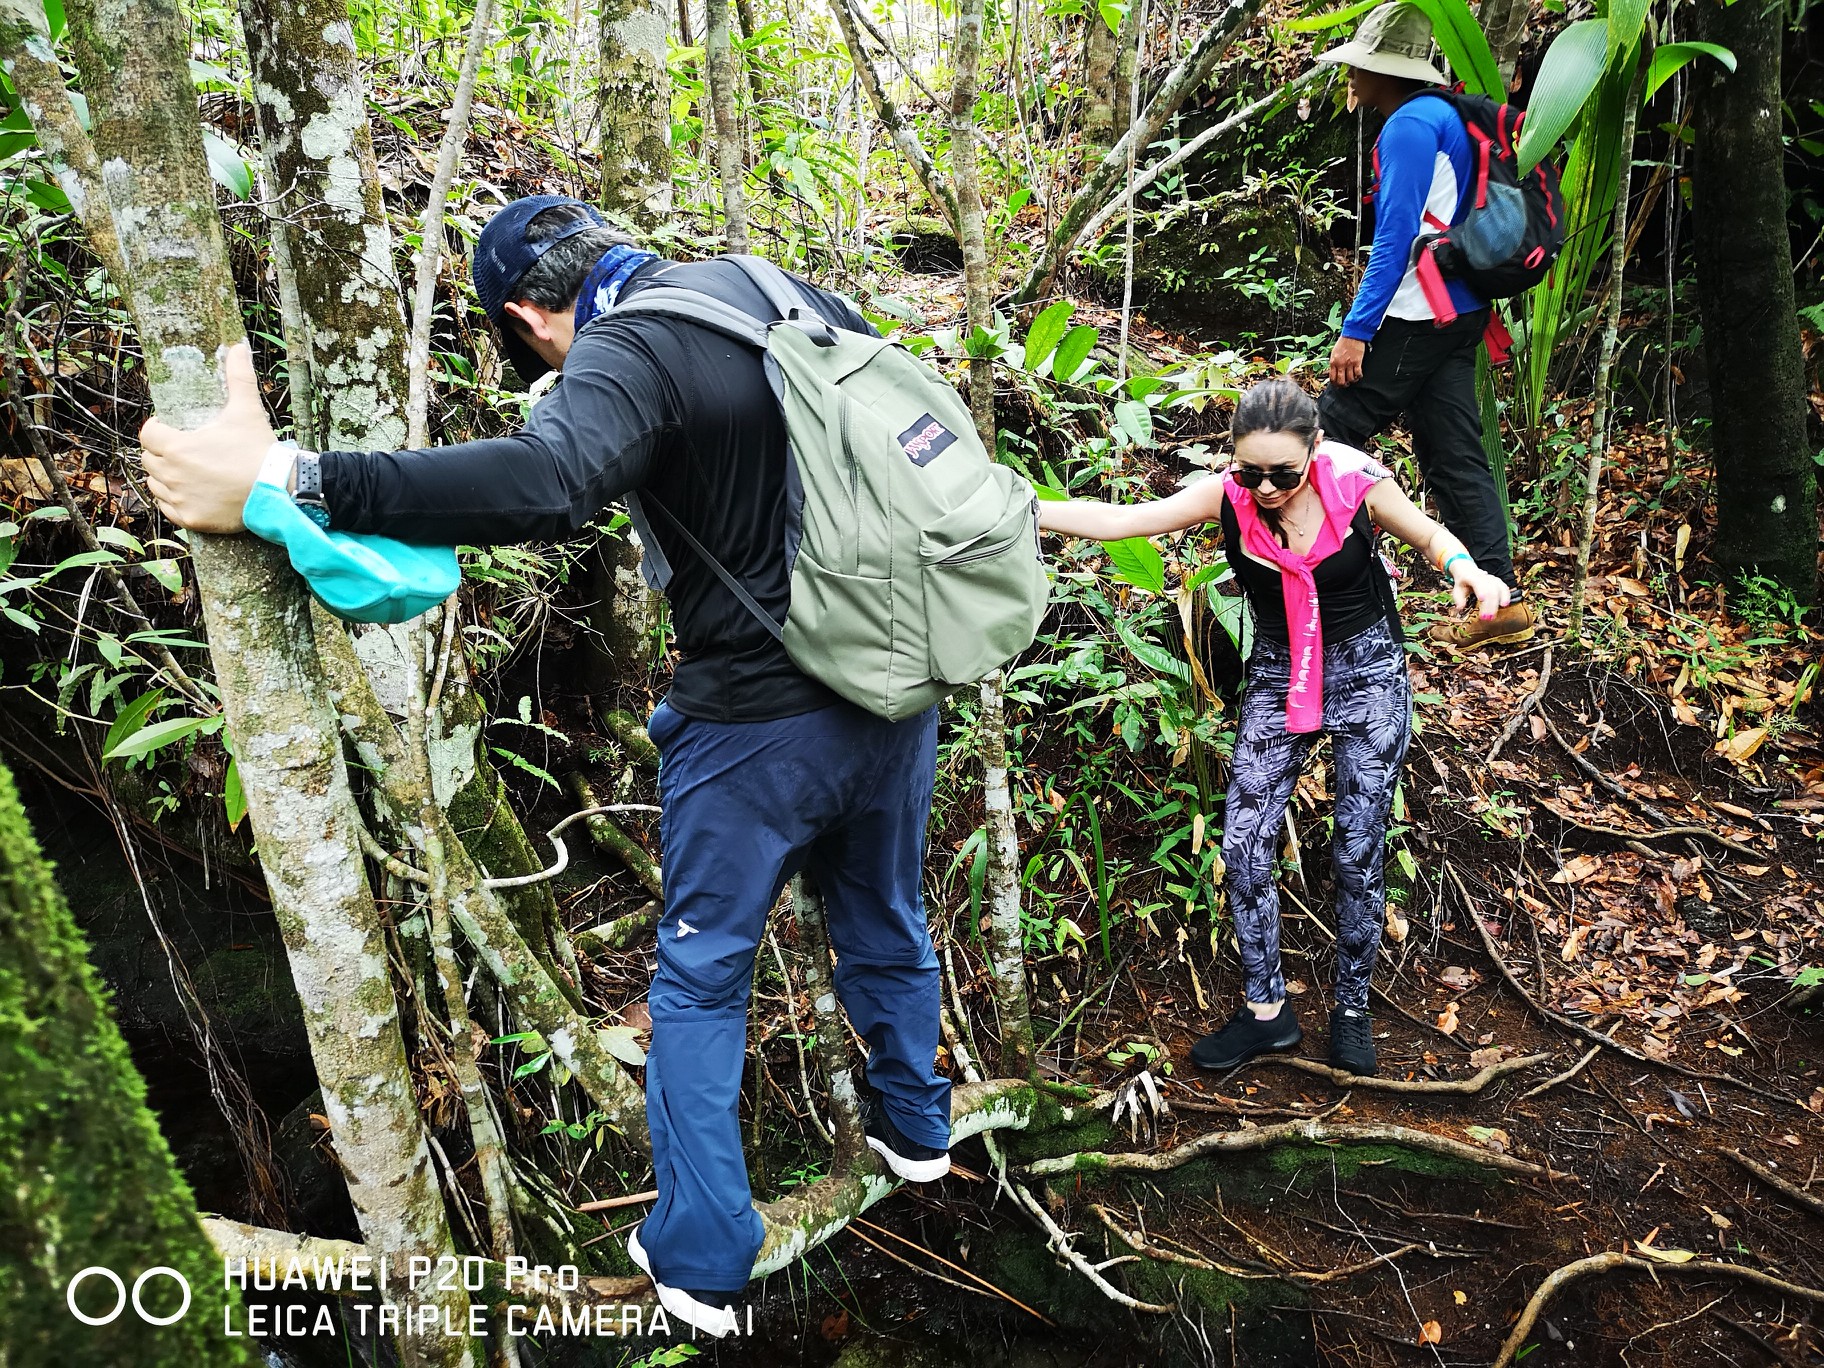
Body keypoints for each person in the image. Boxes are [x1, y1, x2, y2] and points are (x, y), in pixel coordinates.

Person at [137, 196, 955, 1337]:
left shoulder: (631, 342)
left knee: (704, 974)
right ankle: (919, 1128)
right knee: (884, 908)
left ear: (529, 316)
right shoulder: (773, 291)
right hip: (902, 691)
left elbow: (547, 480)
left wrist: (296, 474)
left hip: (760, 725)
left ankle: (704, 1257)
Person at [1035, 379, 1508, 1077]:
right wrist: (1022, 509)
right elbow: (1125, 520)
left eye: (1282, 474)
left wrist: (1470, 570)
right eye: (1249, 470)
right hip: (1280, 672)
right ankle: (1266, 1012)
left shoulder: (1356, 481)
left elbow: (1433, 536)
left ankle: (1351, 1007)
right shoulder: (1226, 494)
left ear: (1314, 451)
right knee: (1246, 844)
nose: (1264, 488)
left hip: (1368, 672)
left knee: (1356, 848)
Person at [1314, 2, 1537, 650]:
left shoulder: (1409, 126)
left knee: (1333, 427)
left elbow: (1395, 237)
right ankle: (1502, 602)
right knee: (1452, 453)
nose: (1352, 79)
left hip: (1418, 312)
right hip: (1460, 313)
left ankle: (1333, 589)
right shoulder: (1446, 115)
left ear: (1389, 73)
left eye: (1361, 68)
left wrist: (1357, 329)